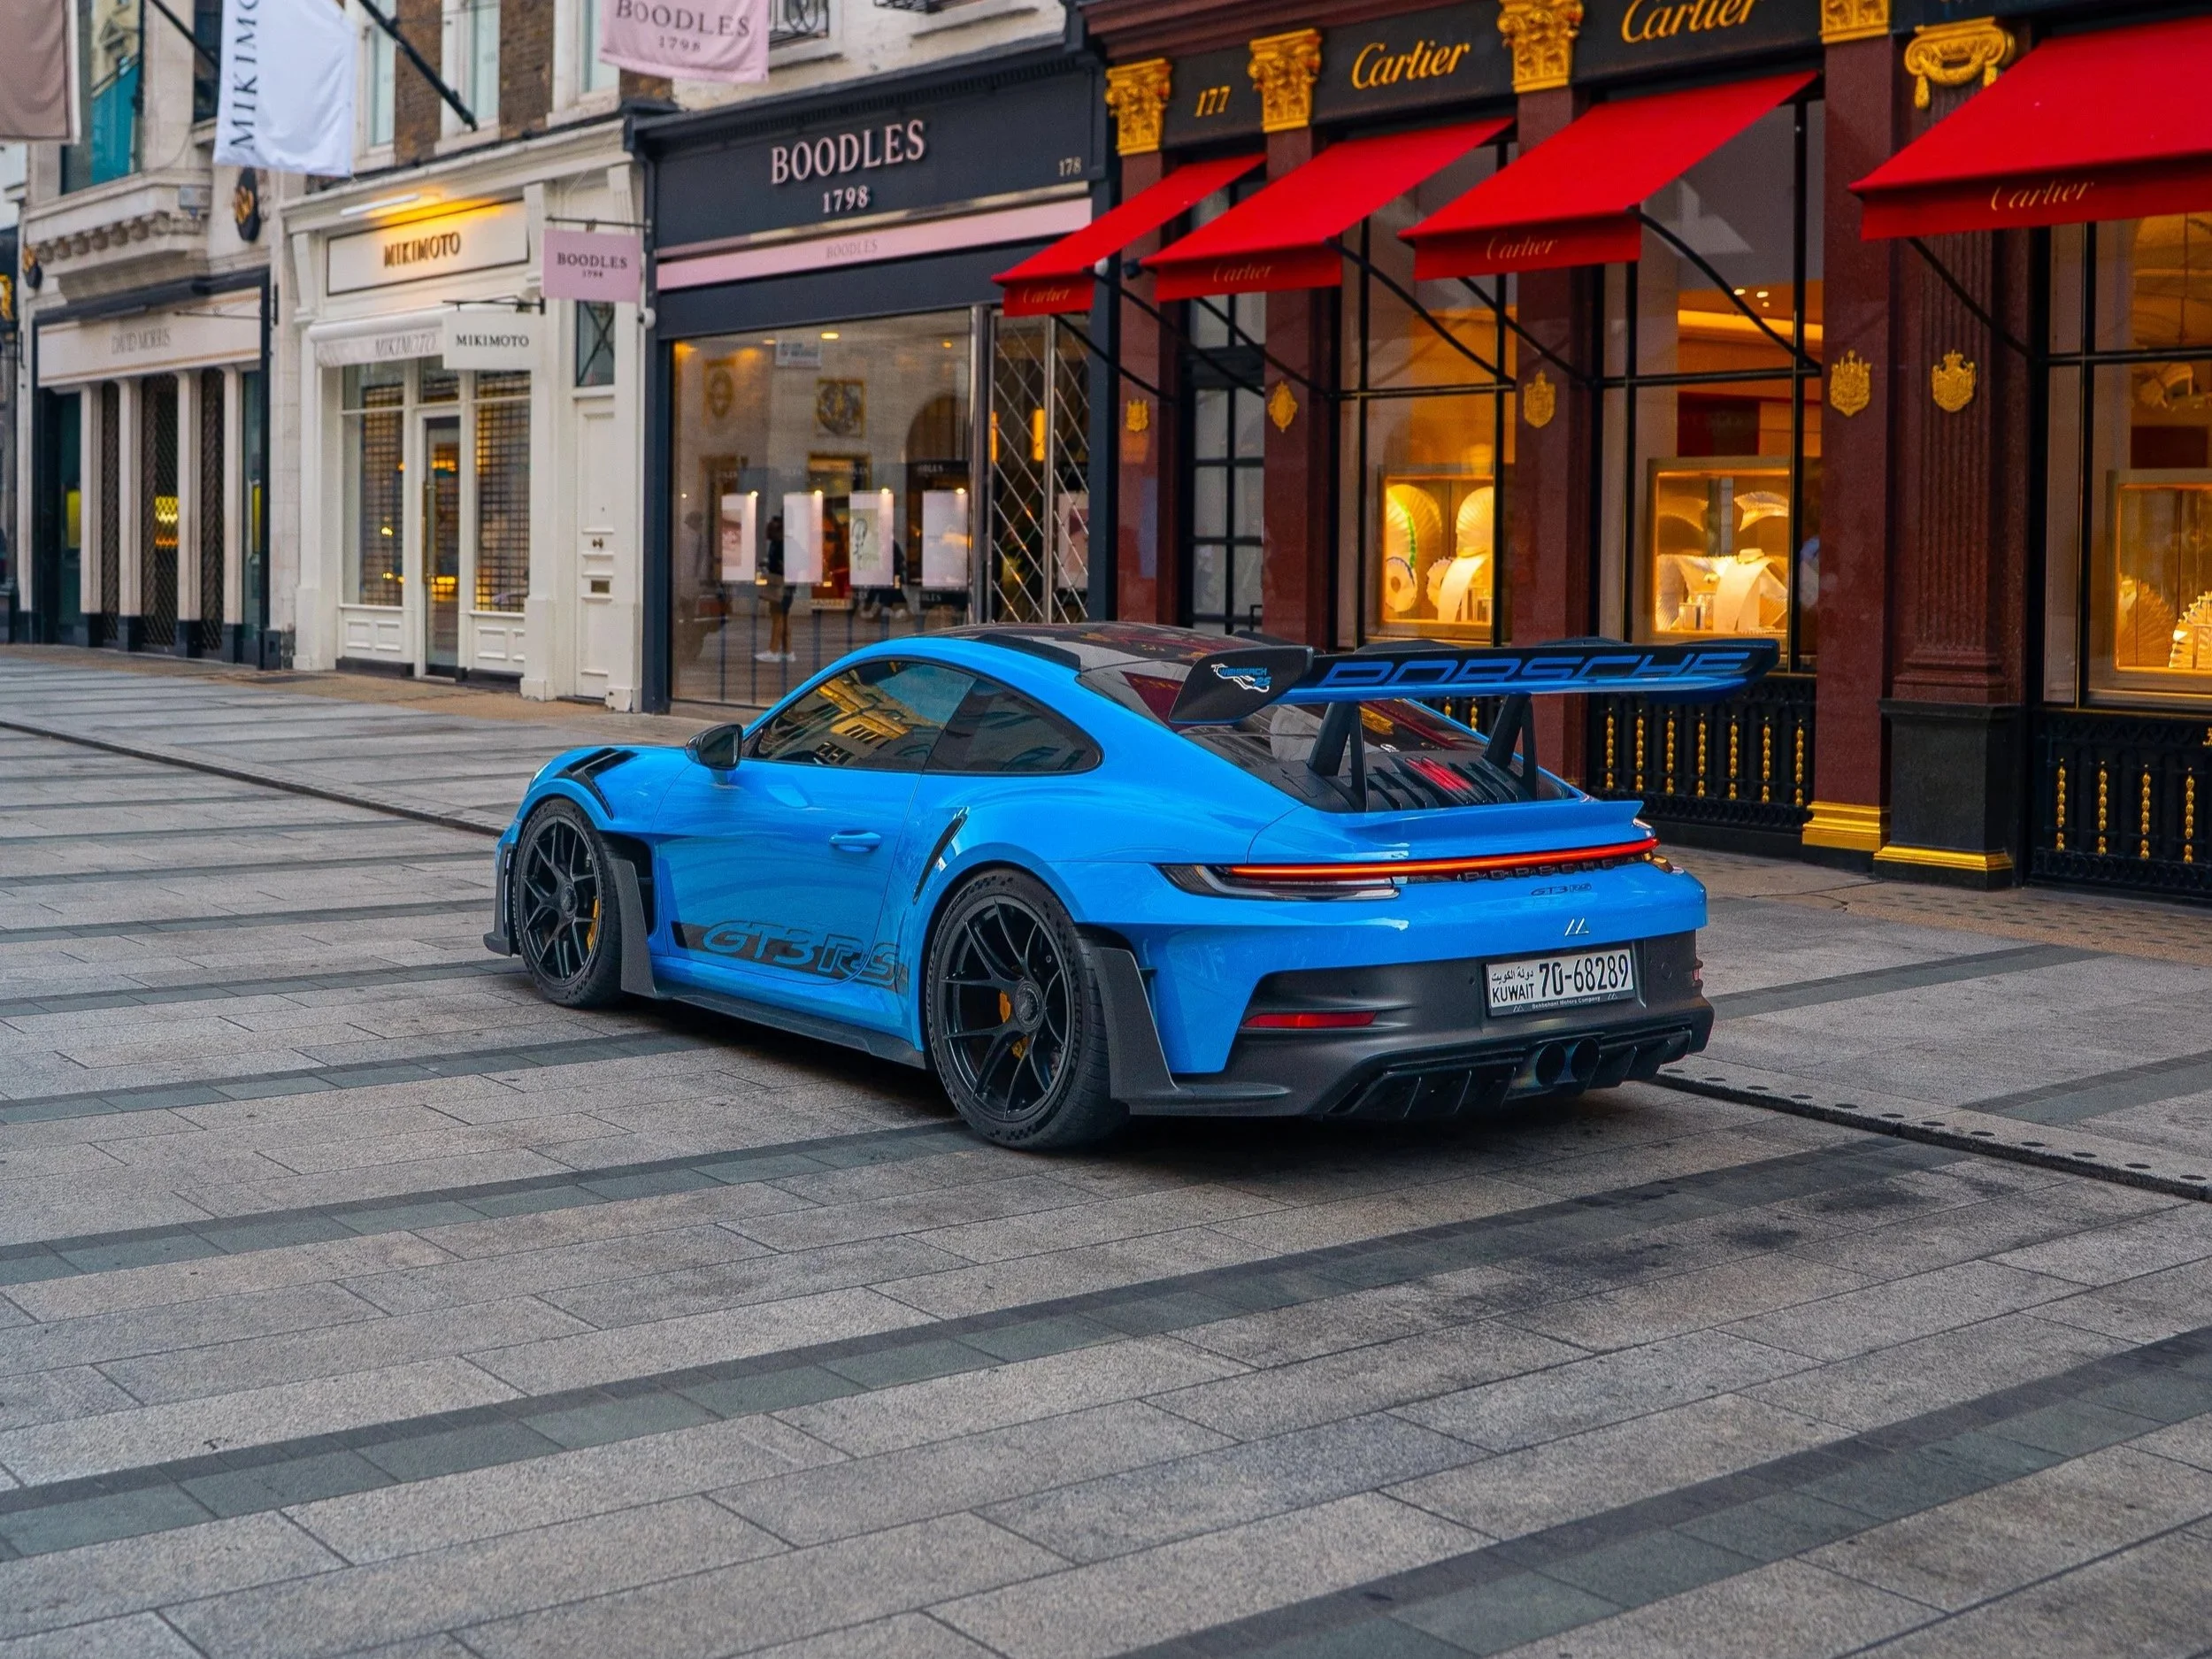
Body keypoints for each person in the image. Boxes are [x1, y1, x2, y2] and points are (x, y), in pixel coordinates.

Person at [758, 513, 796, 663]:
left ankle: (774, 650)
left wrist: (782, 566)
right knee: (783, 616)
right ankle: (787, 651)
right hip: (783, 583)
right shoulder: (779, 543)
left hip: (783, 584)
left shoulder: (783, 545)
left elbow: (794, 562)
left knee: (779, 617)